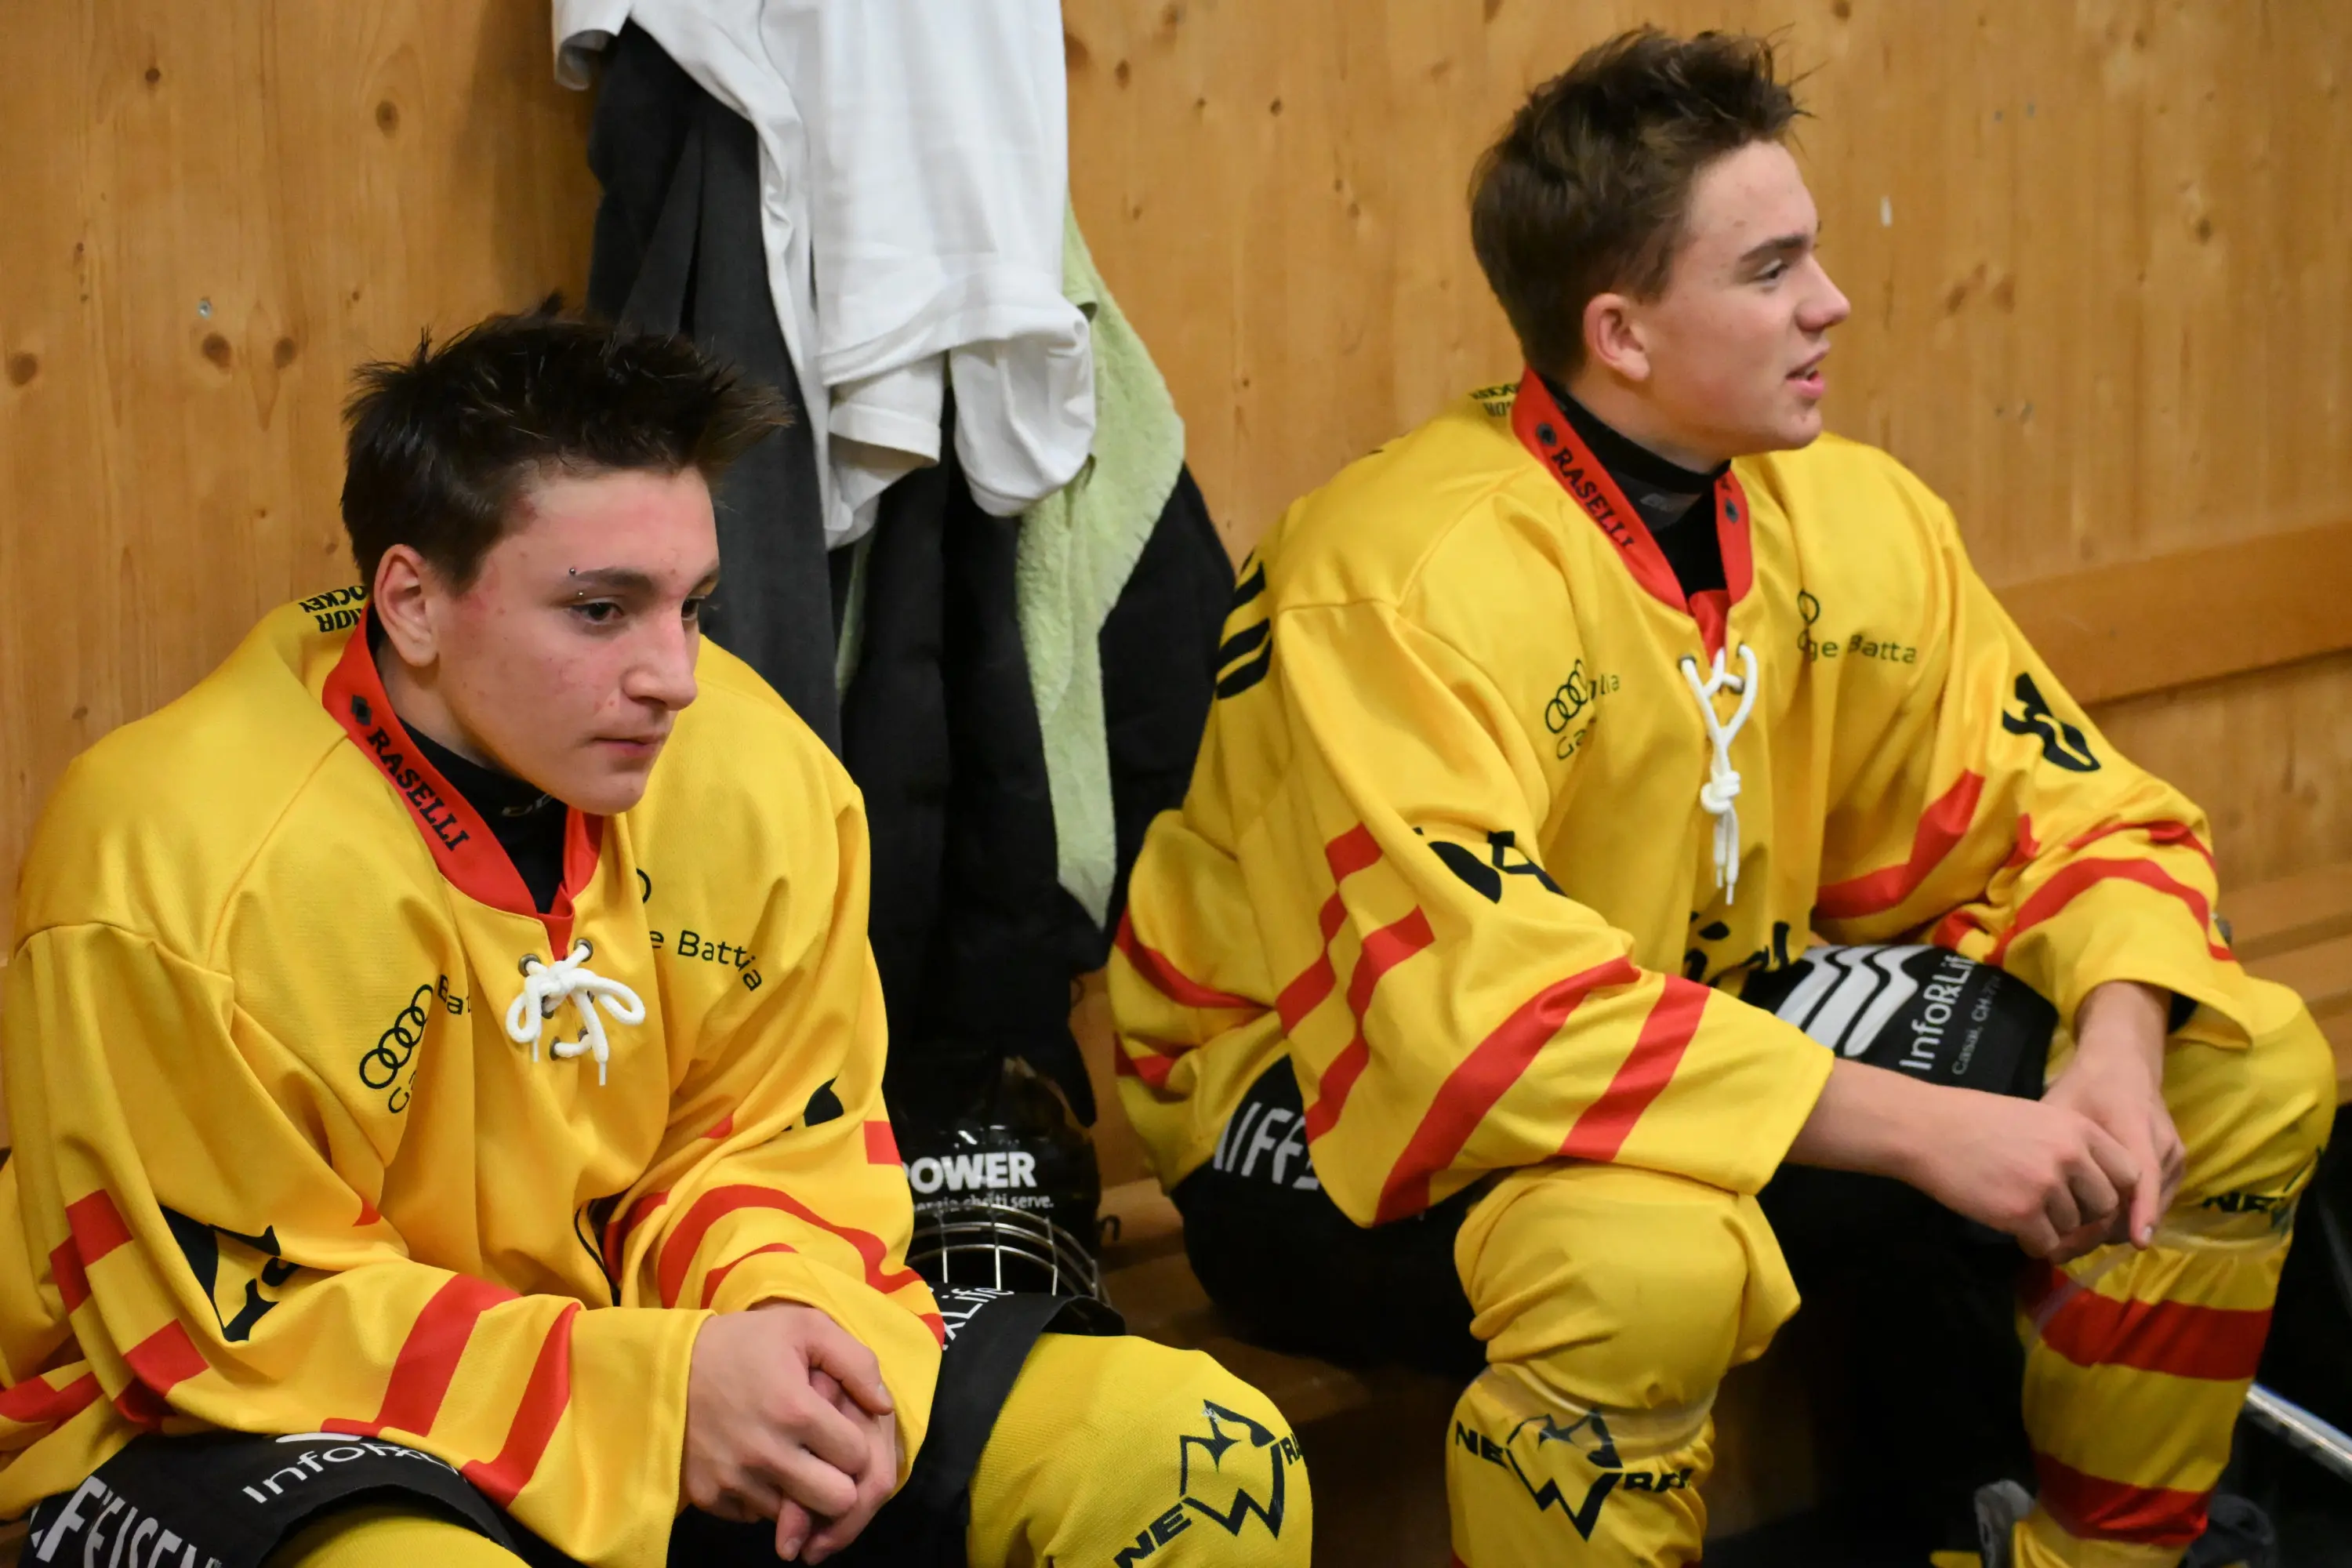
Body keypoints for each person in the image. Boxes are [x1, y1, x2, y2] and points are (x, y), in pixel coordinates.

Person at [1107, 29, 2332, 1568]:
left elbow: (2076, 817)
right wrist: (1934, 1134)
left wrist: (2118, 1050)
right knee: (1651, 1266)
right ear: (1619, 333)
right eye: (1771, 270)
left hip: (1691, 1012)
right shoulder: (1397, 581)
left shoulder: (1853, 515)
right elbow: (1481, 1033)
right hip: (1315, 1093)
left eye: (1811, 253)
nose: (1831, 301)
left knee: (2242, 1065)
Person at [0, 313, 1312, 1568]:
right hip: (248, 1409)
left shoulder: (755, 775)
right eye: (600, 610)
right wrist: (653, 1398)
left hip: (653, 1349)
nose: (673, 677)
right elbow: (239, 1323)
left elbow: (766, 1143)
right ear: (411, 602)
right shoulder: (169, 863)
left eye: (692, 607)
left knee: (1196, 1460)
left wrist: (783, 1325)